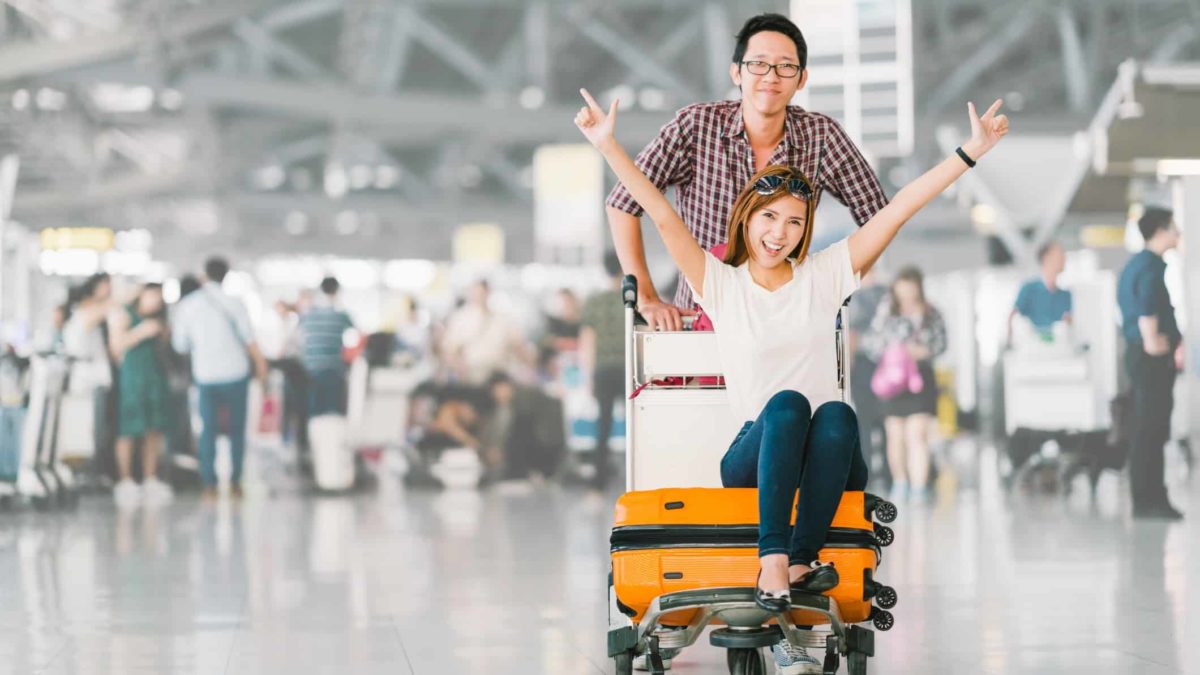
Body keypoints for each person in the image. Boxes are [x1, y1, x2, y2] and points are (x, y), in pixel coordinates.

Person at [576, 81, 1008, 670]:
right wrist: (607, 144)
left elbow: (901, 207)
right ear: (748, 218)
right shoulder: (719, 283)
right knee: (788, 404)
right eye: (769, 218)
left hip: (827, 456)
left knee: (834, 412)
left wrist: (970, 153)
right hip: (754, 456)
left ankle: (799, 559)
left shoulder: (827, 275)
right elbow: (656, 206)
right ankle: (776, 557)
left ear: (807, 230)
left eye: (794, 222)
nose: (779, 233)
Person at [605, 12, 889, 332]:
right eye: (758, 64)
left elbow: (880, 218)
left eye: (785, 66)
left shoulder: (821, 136)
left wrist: (831, 287)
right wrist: (646, 297)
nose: (771, 76)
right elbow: (622, 203)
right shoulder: (695, 127)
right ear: (736, 73)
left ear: (802, 78)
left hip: (785, 323)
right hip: (703, 322)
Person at [172, 257, 268, 500]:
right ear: (226, 275)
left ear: (205, 274)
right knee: (236, 430)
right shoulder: (236, 303)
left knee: (208, 430)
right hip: (236, 374)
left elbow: (180, 344)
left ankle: (209, 484)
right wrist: (261, 366)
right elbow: (249, 339)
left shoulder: (188, 305)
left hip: (206, 376)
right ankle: (235, 483)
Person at [1117, 207, 1184, 520]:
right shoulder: (1150, 266)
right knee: (1152, 427)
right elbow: (1146, 301)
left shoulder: (1137, 263)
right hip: (1150, 358)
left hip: (1142, 356)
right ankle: (1149, 500)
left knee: (1148, 427)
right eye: (1174, 227)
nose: (1178, 233)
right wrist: (1151, 337)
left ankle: (1150, 497)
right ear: (1160, 230)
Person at [864, 267, 948, 505]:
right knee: (895, 435)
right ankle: (900, 482)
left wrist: (922, 351)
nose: (906, 293)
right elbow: (872, 343)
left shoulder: (931, 313)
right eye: (902, 288)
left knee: (917, 434)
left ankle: (919, 487)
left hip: (919, 380)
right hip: (893, 380)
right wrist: (893, 351)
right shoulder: (886, 312)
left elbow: (942, 343)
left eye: (911, 288)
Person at [108, 283, 173, 507]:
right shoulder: (125, 316)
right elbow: (116, 347)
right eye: (152, 294)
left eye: (159, 296)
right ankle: (125, 480)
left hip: (155, 378)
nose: (155, 300)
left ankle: (150, 478)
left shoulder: (161, 321)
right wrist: (140, 332)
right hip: (132, 379)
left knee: (153, 429)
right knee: (128, 428)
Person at [62, 273, 117, 480]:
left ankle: (94, 471)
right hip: (89, 379)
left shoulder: (80, 317)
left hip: (91, 377)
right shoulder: (84, 315)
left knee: (95, 427)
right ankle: (90, 473)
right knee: (91, 428)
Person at [580, 250, 627, 490]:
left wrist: (587, 376)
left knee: (603, 425)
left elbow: (587, 342)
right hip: (629, 370)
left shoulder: (594, 302)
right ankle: (637, 479)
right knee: (636, 426)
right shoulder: (632, 299)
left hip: (603, 370)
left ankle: (598, 483)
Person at [846, 266, 890, 487]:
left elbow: (852, 334)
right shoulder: (889, 295)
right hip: (892, 367)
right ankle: (891, 473)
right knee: (888, 421)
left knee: (864, 421)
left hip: (865, 365)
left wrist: (849, 365)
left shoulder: (859, 297)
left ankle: (869, 474)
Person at [440, 280, 529, 385]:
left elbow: (518, 345)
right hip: (470, 376)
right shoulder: (460, 318)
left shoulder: (501, 319)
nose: (479, 296)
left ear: (488, 293)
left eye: (482, 293)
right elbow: (449, 350)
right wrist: (458, 367)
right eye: (476, 293)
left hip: (498, 376)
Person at [297, 276, 356, 417]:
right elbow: (356, 333)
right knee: (332, 412)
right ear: (337, 291)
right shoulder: (341, 315)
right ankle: (331, 438)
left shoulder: (307, 314)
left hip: (311, 370)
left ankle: (316, 438)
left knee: (314, 411)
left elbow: (300, 338)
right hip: (334, 369)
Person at [1009, 240, 1071, 342]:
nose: (1063, 258)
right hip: (1030, 350)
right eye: (1059, 254)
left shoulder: (1065, 296)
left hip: (1059, 351)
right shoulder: (1028, 289)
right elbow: (1013, 318)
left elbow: (1069, 327)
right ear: (1046, 258)